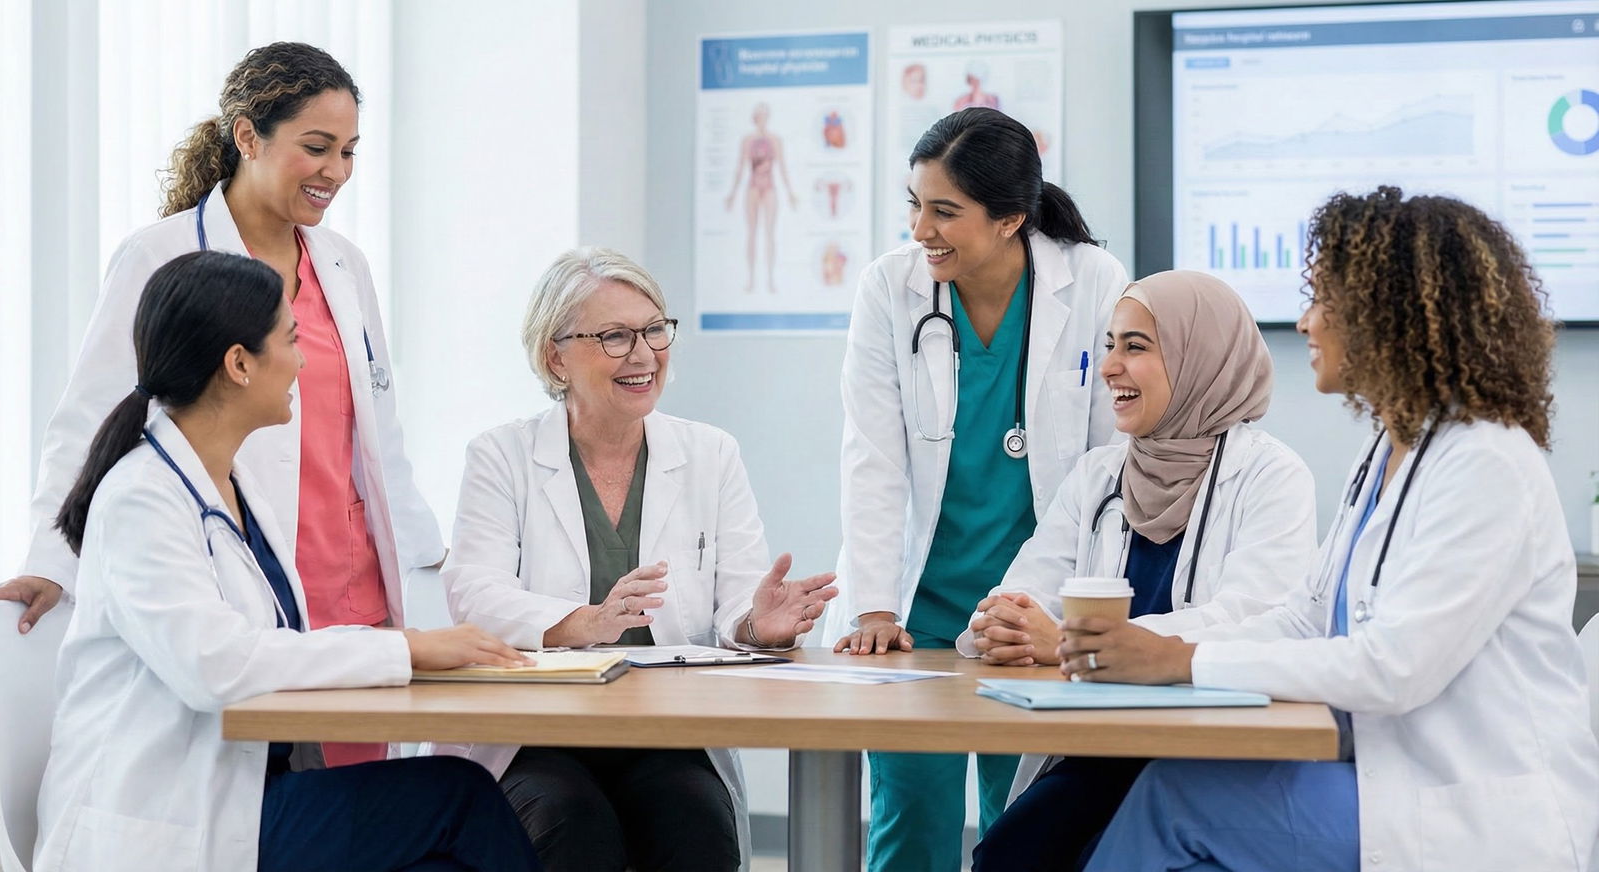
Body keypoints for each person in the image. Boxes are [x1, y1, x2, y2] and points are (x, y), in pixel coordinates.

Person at [1064, 187, 1599, 871]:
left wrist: (1180, 661)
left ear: (1389, 316)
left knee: (1174, 800)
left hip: (1470, 813)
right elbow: (1302, 619)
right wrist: (1142, 643)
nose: (1305, 322)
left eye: (1323, 301)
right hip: (1385, 776)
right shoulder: (1391, 449)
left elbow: (1392, 667)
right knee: (1172, 795)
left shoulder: (1484, 462)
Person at [0, 42, 438, 767]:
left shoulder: (344, 267)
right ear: (246, 137)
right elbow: (93, 416)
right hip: (245, 580)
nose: (337, 172)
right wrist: (54, 558)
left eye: (351, 152)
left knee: (360, 817)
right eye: (317, 147)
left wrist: (426, 570)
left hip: (355, 586)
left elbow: (379, 433)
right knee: (266, 812)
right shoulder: (161, 256)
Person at [32, 251, 540, 872]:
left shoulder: (234, 484)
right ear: (239, 364)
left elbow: (264, 647)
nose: (302, 363)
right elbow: (213, 663)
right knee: (461, 798)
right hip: (169, 816)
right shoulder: (142, 497)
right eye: (291, 341)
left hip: (244, 794)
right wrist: (406, 649)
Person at [433, 247, 837, 872]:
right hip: (538, 734)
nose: (644, 354)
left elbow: (736, 598)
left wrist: (759, 625)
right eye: (615, 336)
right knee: (572, 822)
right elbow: (473, 592)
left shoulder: (710, 454)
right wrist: (583, 622)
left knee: (695, 822)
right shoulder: (501, 456)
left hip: (666, 730)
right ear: (555, 355)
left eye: (654, 330)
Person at [829, 107, 1128, 872]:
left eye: (944, 211)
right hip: (918, 605)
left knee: (1022, 825)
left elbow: (1109, 463)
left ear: (1009, 219)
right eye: (914, 203)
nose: (921, 228)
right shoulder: (889, 289)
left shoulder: (1090, 280)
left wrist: (1064, 610)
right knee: (908, 824)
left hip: (1030, 608)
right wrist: (873, 605)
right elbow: (873, 456)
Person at [961, 270, 1316, 871]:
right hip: (1101, 746)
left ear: (1197, 355)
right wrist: (1003, 622)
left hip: (1207, 755)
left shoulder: (1271, 477)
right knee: (1006, 854)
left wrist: (1076, 644)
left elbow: (1256, 620)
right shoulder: (1098, 476)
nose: (1109, 368)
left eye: (1135, 347)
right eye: (1109, 346)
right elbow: (1023, 595)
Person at [724, 103, 798, 294]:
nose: (762, 119)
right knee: (752, 233)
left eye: (764, 115)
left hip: (769, 186)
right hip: (753, 187)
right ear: (755, 117)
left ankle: (771, 279)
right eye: (759, 115)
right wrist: (732, 194)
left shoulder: (775, 140)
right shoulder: (747, 140)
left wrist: (790, 193)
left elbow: (782, 167)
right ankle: (751, 278)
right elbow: (740, 168)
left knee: (769, 234)